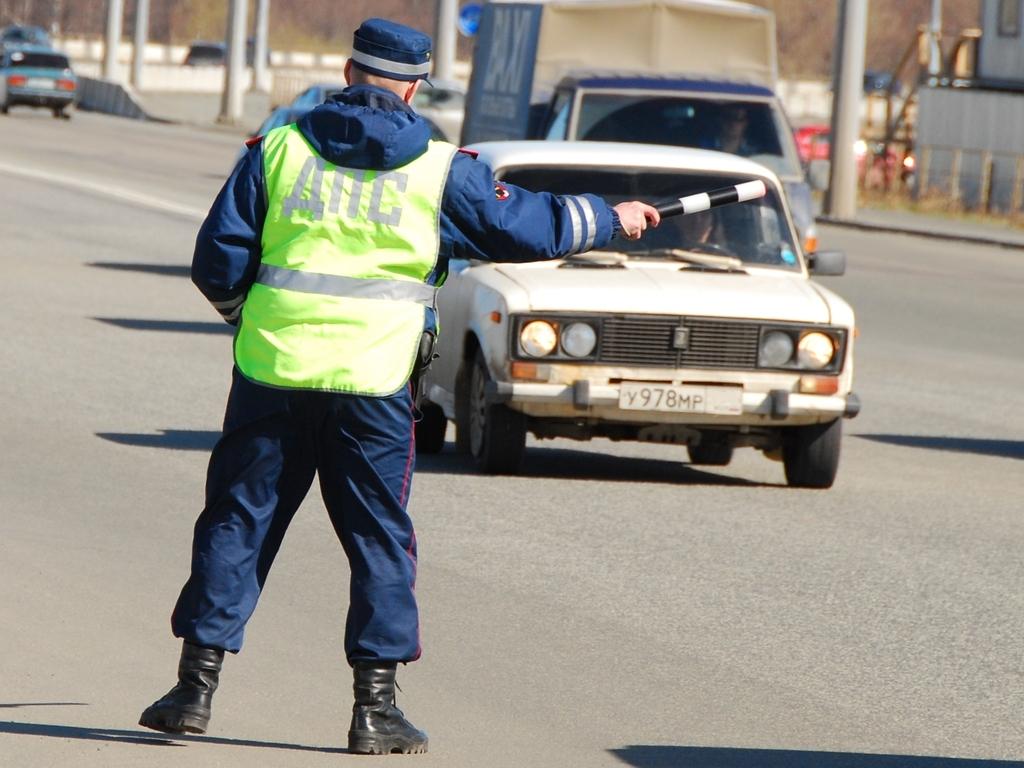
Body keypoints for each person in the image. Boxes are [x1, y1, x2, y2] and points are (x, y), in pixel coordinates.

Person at [137, 17, 659, 756]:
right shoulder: (441, 168)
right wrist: (611, 216)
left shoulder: (278, 150)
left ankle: (192, 691)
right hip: (376, 385)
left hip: (272, 374)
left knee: (237, 524)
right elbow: (530, 230)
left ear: (348, 74)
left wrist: (253, 321)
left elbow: (216, 263)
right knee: (379, 540)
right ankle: (374, 713)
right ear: (413, 88)